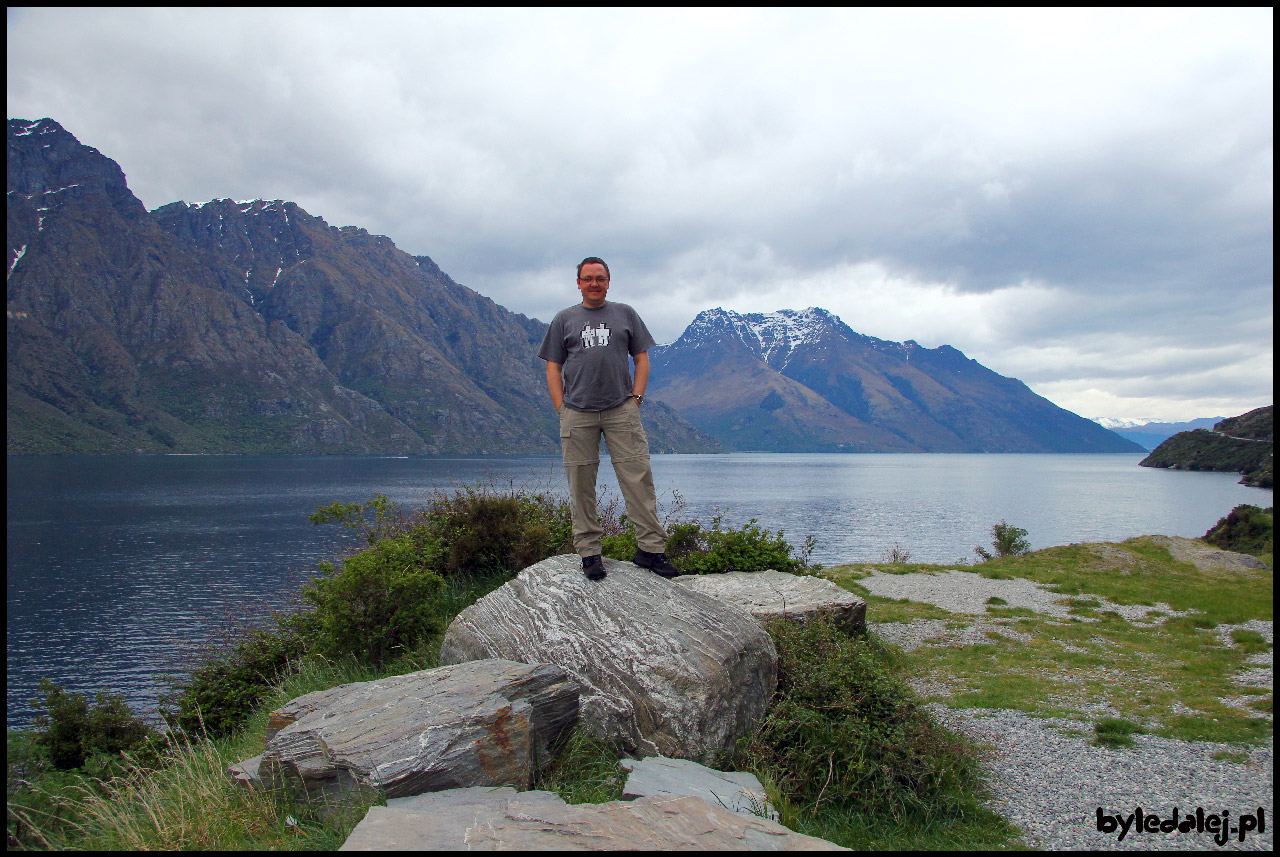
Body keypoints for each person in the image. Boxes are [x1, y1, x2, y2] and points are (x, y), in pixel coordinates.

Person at [538, 257, 680, 581]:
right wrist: (561, 408)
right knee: (581, 485)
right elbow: (552, 367)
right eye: (587, 279)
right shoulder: (564, 319)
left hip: (620, 410)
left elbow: (641, 359)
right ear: (578, 283)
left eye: (599, 278)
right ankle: (589, 554)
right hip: (577, 412)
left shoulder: (626, 314)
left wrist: (636, 399)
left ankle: (650, 551)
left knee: (638, 480)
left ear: (608, 281)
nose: (594, 284)